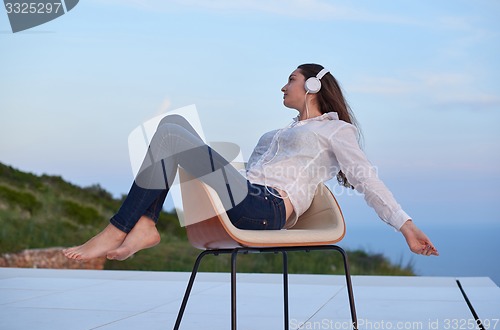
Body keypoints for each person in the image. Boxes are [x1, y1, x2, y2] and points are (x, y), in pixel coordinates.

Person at [63, 63, 438, 262]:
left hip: (267, 207)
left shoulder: (336, 131)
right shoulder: (278, 133)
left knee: (172, 128)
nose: (283, 86)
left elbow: (366, 179)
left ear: (312, 87)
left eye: (291, 79)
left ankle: (121, 229)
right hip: (245, 197)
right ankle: (144, 225)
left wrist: (404, 225)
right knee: (171, 132)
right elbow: (248, 173)